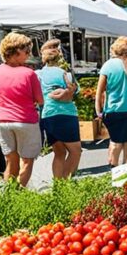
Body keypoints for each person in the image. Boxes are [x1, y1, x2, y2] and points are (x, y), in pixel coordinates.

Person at [0, 32, 43, 186]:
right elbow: (40, 100)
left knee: (10, 161)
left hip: (3, 122)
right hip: (25, 121)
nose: (29, 55)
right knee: (27, 161)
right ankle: (19, 195)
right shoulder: (29, 74)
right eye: (26, 51)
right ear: (16, 51)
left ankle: (8, 197)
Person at [36, 40, 81, 179]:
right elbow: (77, 91)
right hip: (65, 115)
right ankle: (64, 183)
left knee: (59, 153)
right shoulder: (65, 74)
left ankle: (57, 185)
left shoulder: (37, 74)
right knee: (76, 152)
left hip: (47, 115)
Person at [96, 37, 127, 167]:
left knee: (115, 141)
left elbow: (100, 90)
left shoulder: (108, 65)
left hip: (112, 109)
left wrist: (98, 110)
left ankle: (114, 169)